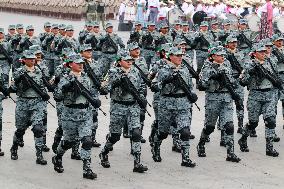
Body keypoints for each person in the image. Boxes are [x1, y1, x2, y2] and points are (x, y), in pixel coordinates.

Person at [99, 51, 148, 173]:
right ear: (120, 61)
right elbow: (103, 89)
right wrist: (116, 82)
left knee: (136, 133)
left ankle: (137, 162)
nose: (130, 62)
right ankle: (104, 152)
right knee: (115, 136)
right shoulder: (112, 72)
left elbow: (142, 85)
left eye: (131, 60)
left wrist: (141, 96)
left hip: (133, 106)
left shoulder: (135, 71)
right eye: (127, 60)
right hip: (118, 107)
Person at [52, 53, 100, 179]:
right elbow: (57, 97)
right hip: (70, 114)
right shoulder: (64, 78)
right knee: (69, 142)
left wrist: (95, 100)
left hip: (85, 114)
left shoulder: (86, 77)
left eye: (81, 63)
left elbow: (91, 93)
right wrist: (65, 88)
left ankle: (87, 169)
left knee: (87, 140)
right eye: (77, 62)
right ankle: (57, 156)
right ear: (69, 64)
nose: (80, 64)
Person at [151, 46, 197, 167]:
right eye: (177, 55)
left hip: (182, 104)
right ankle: (155, 146)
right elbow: (154, 86)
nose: (180, 58)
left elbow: (189, 86)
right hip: (167, 104)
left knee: (185, 131)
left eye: (181, 55)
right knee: (163, 133)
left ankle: (185, 158)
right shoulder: (163, 70)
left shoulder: (185, 69)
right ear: (170, 56)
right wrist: (167, 80)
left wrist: (192, 95)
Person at [196, 45, 241, 163]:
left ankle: (230, 153)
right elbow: (201, 85)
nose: (222, 56)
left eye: (223, 54)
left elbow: (232, 81)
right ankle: (201, 143)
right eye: (219, 55)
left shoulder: (227, 64)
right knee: (210, 127)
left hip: (227, 98)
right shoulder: (206, 67)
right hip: (213, 98)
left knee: (229, 125)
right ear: (212, 56)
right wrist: (212, 76)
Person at [10, 50, 49, 165]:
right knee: (20, 130)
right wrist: (18, 81)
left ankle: (39, 155)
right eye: (30, 58)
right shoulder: (18, 72)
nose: (33, 60)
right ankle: (14, 147)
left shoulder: (39, 71)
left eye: (34, 58)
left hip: (37, 103)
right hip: (23, 103)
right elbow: (13, 88)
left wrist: (44, 93)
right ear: (24, 60)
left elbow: (43, 85)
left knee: (38, 129)